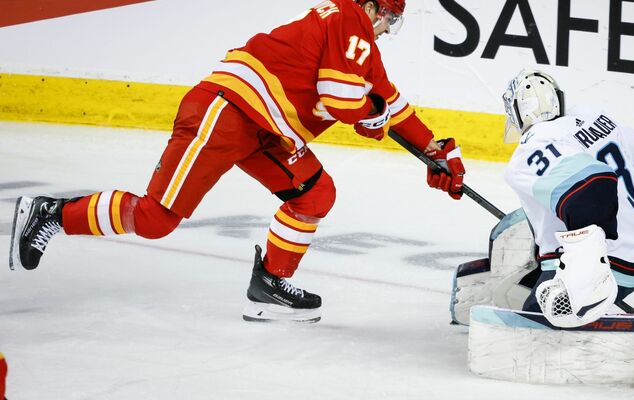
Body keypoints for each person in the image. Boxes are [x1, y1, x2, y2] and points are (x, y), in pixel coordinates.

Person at [8, 0, 466, 323]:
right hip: (226, 112)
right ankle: (53, 213)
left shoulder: (355, 39)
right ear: (370, 6)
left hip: (265, 129)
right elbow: (344, 98)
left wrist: (433, 148)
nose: (387, 28)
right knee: (156, 218)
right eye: (389, 17)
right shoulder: (350, 20)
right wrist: (374, 117)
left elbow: (387, 99)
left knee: (315, 192)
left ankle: (270, 284)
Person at [500, 68, 634, 328]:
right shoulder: (594, 119)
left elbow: (593, 191)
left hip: (608, 266)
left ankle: (584, 311)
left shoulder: (530, 150)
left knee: (531, 326)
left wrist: (583, 277)